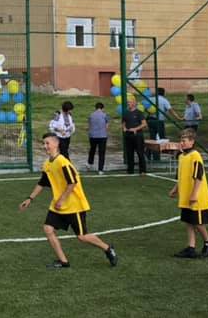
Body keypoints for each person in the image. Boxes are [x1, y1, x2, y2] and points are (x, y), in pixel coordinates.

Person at [18, 133, 118, 269]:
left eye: (47, 143)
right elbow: (42, 182)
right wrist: (30, 198)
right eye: (44, 143)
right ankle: (63, 262)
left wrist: (62, 199)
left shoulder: (63, 162)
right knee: (48, 229)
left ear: (56, 144)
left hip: (73, 205)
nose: (45, 146)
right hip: (58, 205)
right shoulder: (47, 164)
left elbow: (73, 182)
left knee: (82, 237)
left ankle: (107, 248)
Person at [168, 129, 208, 258]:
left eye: (184, 140)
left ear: (192, 142)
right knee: (188, 222)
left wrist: (194, 194)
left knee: (198, 223)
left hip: (197, 197)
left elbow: (198, 177)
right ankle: (191, 247)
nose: (181, 143)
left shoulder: (195, 156)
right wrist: (175, 189)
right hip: (186, 197)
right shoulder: (182, 156)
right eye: (181, 140)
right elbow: (182, 176)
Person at [121, 98, 148, 175]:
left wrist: (135, 129)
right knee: (129, 153)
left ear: (134, 103)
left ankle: (142, 170)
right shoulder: (126, 113)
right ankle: (130, 170)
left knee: (140, 153)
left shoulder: (139, 113)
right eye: (128, 102)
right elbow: (123, 123)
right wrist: (124, 128)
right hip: (128, 135)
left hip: (137, 136)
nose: (128, 104)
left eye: (129, 102)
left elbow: (144, 124)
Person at [86, 102, 110, 174]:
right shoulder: (105, 115)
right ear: (102, 108)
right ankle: (100, 169)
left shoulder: (91, 115)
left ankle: (89, 163)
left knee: (92, 149)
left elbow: (89, 124)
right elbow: (107, 126)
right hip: (102, 136)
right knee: (101, 152)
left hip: (93, 135)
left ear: (95, 108)